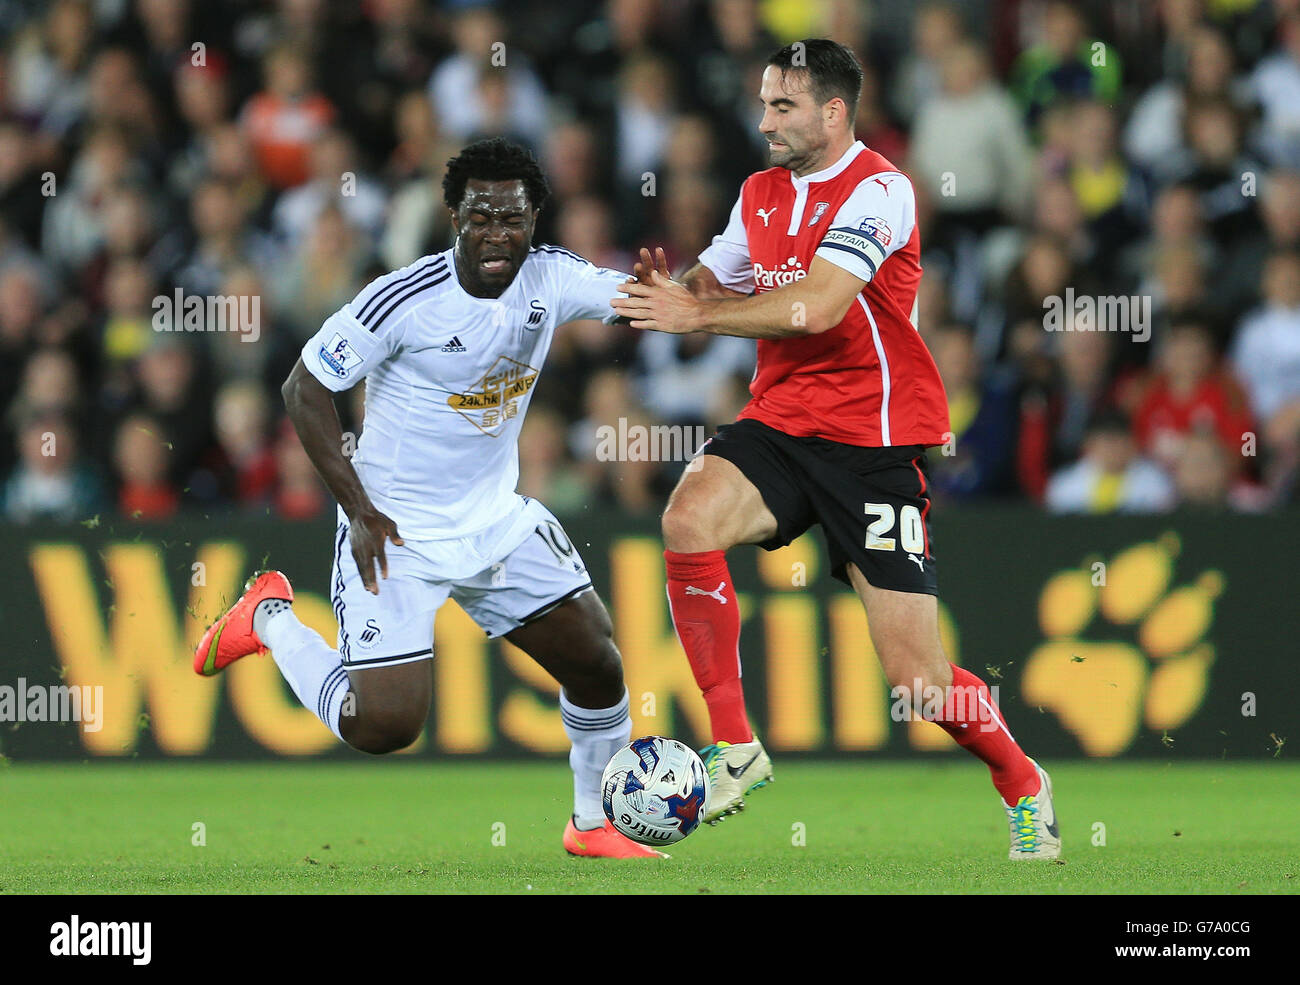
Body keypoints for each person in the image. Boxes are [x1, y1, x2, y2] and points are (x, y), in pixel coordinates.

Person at [611, 39, 1060, 859]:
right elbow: (712, 283)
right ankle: (734, 747)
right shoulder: (759, 192)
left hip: (873, 445)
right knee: (688, 517)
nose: (764, 120)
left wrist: (698, 317)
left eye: (781, 106)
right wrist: (668, 293)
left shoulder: (881, 189)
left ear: (833, 111)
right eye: (763, 102)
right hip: (781, 422)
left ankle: (1023, 781)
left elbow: (816, 307)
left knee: (920, 685)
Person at [193, 138, 664, 859]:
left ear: (535, 216)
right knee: (384, 726)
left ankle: (592, 822)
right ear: (453, 214)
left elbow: (642, 299)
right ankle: (271, 617)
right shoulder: (403, 299)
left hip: (496, 523)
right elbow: (304, 387)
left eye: (512, 217)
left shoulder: (552, 279)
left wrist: (682, 292)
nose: (497, 234)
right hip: (395, 533)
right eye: (480, 216)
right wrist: (358, 509)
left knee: (598, 665)